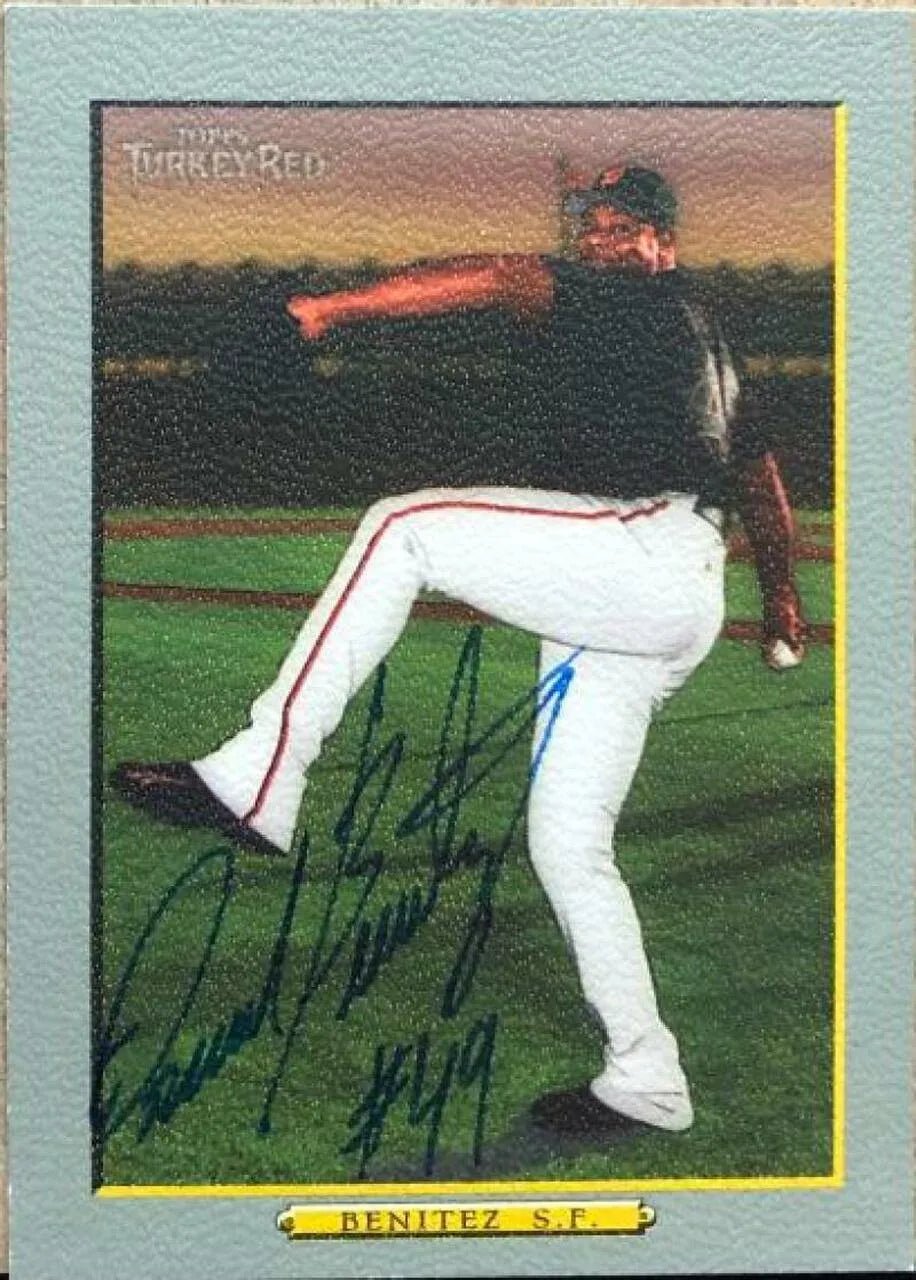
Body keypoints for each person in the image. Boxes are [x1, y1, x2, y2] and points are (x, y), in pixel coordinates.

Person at [113, 166, 807, 1138]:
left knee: (402, 528)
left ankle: (258, 779)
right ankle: (647, 1075)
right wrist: (780, 601)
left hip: (638, 549)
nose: (603, 239)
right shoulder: (709, 338)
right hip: (645, 592)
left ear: (667, 245)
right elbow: (761, 476)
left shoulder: (636, 300)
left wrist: (324, 309)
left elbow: (496, 276)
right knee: (569, 842)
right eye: (594, 225)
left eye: (627, 226)